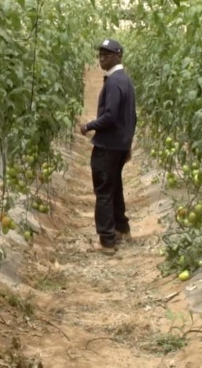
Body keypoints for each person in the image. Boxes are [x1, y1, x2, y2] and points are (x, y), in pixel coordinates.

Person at [79, 38, 137, 253]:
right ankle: (122, 228)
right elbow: (132, 117)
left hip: (108, 145)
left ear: (119, 56)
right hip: (119, 145)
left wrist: (88, 126)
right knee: (115, 186)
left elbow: (110, 116)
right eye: (101, 54)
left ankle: (107, 240)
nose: (102, 58)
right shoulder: (125, 80)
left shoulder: (114, 82)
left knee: (103, 190)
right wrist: (128, 144)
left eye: (108, 54)